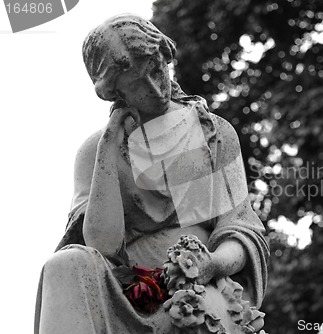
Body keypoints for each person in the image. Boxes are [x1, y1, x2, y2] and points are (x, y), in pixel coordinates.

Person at [34, 14, 269, 334]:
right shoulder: (96, 151)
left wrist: (210, 264)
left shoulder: (211, 134)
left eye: (157, 71)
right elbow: (101, 247)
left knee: (202, 311)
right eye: (136, 85)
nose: (155, 90)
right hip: (123, 291)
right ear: (116, 94)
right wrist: (108, 150)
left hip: (197, 290)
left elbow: (240, 231)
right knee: (62, 265)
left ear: (165, 57)